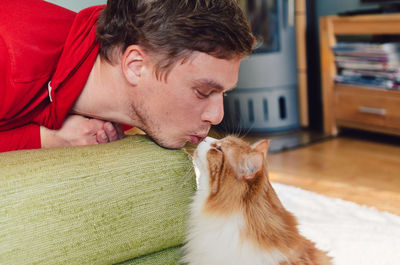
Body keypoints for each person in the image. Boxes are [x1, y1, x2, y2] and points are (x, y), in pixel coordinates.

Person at [0, 0, 255, 153]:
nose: (217, 116)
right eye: (202, 91)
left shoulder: (127, 108)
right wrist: (47, 138)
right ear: (135, 66)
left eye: (223, 93)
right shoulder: (9, 56)